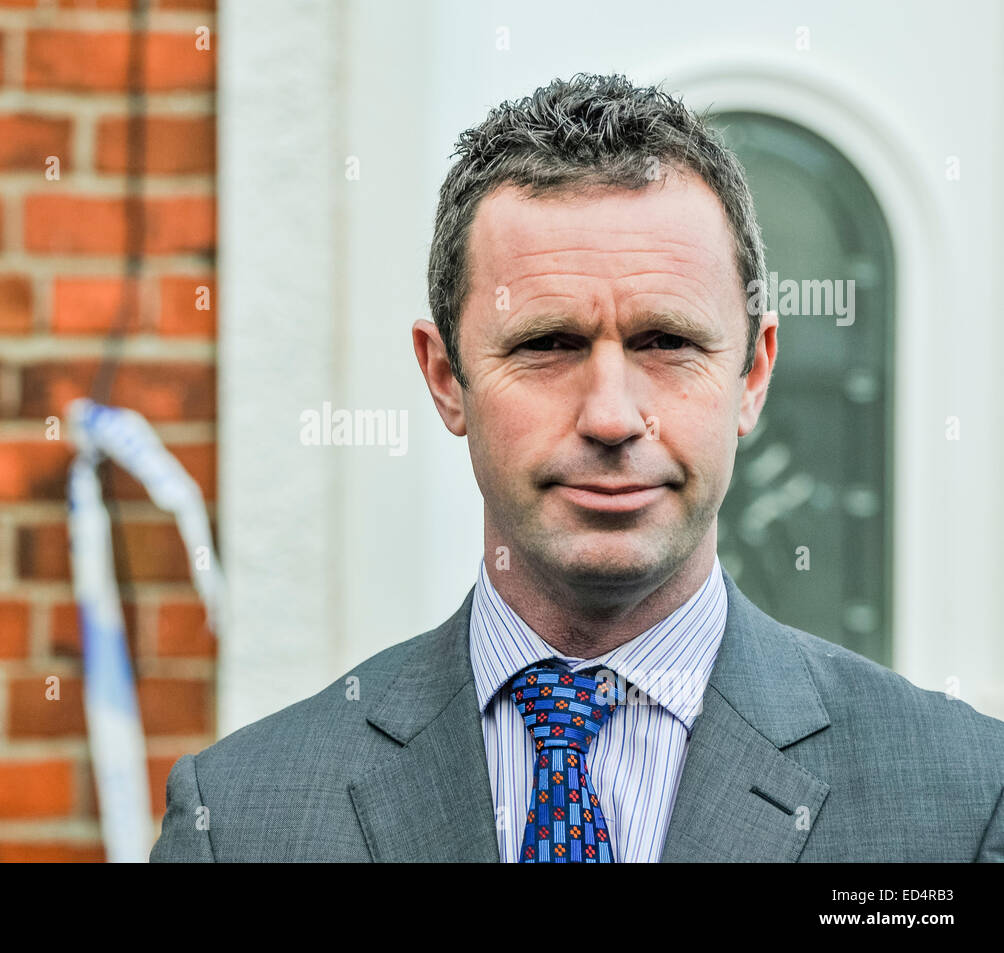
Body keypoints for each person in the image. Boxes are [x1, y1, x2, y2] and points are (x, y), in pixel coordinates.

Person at [150, 73, 1004, 862]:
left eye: (666, 342)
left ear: (752, 374)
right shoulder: (241, 821)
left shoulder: (961, 804)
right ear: (447, 377)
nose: (610, 415)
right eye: (548, 344)